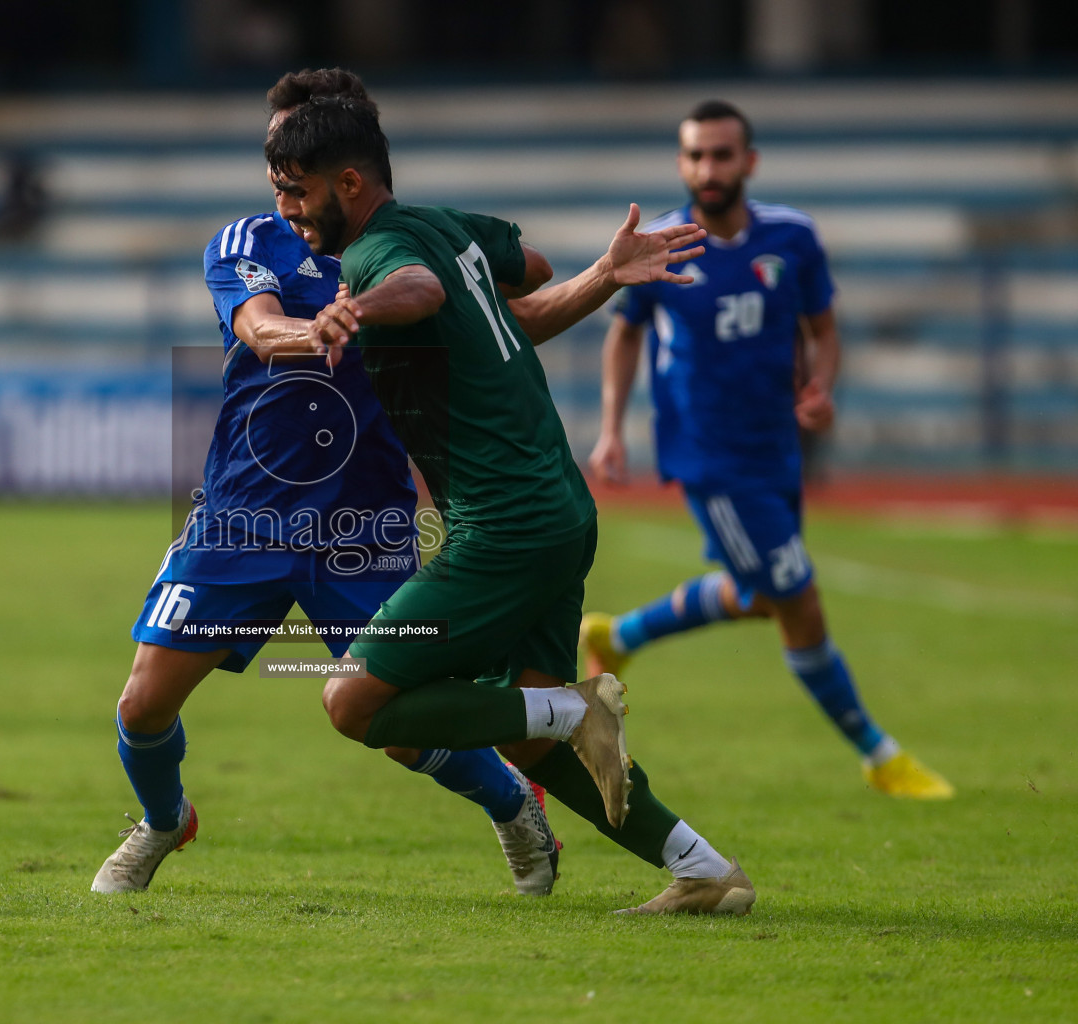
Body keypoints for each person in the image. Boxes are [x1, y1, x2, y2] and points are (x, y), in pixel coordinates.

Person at [268, 95, 756, 915]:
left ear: (347, 183)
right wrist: (603, 274)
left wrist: (357, 306)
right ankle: (705, 870)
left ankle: (577, 707)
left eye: (295, 189)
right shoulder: (448, 225)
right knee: (527, 735)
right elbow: (525, 279)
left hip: (504, 527)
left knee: (353, 701)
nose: (287, 209)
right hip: (559, 510)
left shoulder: (379, 254)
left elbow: (417, 289)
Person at [93, 70, 562, 898]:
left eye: (293, 166)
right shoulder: (249, 240)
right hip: (244, 519)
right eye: (273, 164)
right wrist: (327, 323)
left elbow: (519, 289)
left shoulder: (405, 242)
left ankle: (513, 805)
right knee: (141, 705)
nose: (280, 185)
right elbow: (263, 331)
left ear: (342, 163)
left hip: (365, 525)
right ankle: (164, 822)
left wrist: (601, 278)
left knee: (397, 727)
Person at [579, 99, 953, 800]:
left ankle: (620, 633)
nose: (707, 168)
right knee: (798, 599)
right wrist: (609, 428)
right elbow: (624, 332)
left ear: (748, 162)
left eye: (722, 155)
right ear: (681, 163)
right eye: (695, 155)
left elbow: (823, 329)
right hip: (710, 458)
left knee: (760, 596)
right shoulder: (659, 243)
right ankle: (879, 753)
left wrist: (823, 386)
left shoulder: (793, 238)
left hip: (778, 448)